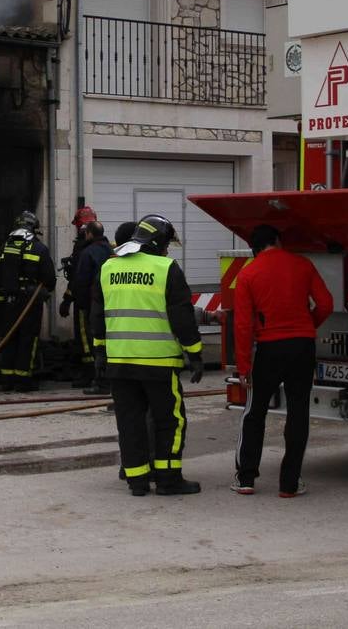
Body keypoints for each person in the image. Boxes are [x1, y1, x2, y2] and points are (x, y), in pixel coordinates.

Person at [90, 214, 204, 496]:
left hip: (119, 363)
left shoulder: (109, 267)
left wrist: (99, 351)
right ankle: (168, 480)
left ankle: (137, 481)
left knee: (129, 422)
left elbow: (97, 315)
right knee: (170, 421)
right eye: (166, 243)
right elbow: (182, 317)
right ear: (157, 242)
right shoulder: (166, 268)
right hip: (159, 363)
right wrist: (195, 354)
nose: (167, 249)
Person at [231, 223, 334, 498]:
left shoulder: (248, 274)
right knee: (298, 411)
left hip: (268, 348)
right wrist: (306, 326)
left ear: (254, 248)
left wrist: (243, 367)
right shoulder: (302, 264)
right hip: (303, 347)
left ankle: (246, 479)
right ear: (278, 240)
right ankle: (289, 483)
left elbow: (242, 325)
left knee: (255, 412)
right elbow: (325, 303)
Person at [0, 210, 56, 391]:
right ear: (33, 227)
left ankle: (7, 381)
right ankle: (23, 381)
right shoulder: (39, 248)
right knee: (28, 339)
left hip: (8, 301)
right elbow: (50, 279)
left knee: (8, 338)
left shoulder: (5, 247)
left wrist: (2, 299)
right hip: (30, 301)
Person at [70, 220, 114, 394]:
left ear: (88, 233)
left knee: (92, 341)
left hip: (91, 304)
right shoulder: (111, 250)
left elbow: (81, 280)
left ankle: (98, 379)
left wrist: (78, 303)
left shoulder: (87, 252)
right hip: (111, 303)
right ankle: (106, 379)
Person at [59, 205, 100, 385]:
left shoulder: (81, 247)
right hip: (100, 300)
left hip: (84, 300)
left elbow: (77, 280)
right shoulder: (104, 245)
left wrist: (67, 300)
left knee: (84, 338)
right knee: (98, 336)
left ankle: (89, 374)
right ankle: (100, 373)